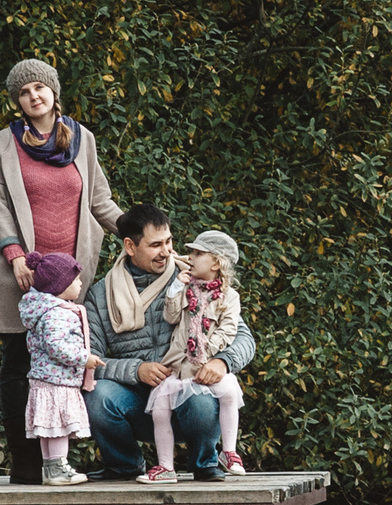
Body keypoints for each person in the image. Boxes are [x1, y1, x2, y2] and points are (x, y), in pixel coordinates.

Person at [0, 59, 122, 483]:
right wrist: (15, 254)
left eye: (39, 88)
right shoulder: (3, 144)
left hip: (68, 280)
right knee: (18, 366)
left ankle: (56, 462)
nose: (33, 96)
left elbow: (101, 202)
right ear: (18, 102)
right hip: (21, 273)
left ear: (53, 92)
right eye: (24, 92)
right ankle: (26, 467)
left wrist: (140, 233)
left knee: (62, 369)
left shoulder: (83, 140)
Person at [86, 205, 258, 481]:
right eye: (155, 245)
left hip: (187, 391)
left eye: (168, 242)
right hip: (137, 400)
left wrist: (222, 361)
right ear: (130, 246)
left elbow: (244, 338)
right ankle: (124, 465)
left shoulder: (195, 279)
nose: (167, 251)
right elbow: (88, 359)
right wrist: (136, 370)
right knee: (98, 395)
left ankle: (205, 463)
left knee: (202, 399)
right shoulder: (100, 294)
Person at [141, 231, 247, 483]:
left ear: (215, 263)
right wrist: (176, 287)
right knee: (159, 410)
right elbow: (171, 316)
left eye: (198, 254)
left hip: (204, 365)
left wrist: (207, 349)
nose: (190, 257)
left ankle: (229, 452)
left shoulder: (229, 297)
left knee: (230, 394)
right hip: (179, 369)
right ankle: (165, 466)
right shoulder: (185, 288)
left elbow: (229, 328)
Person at [18, 252, 102, 485]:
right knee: (58, 427)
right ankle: (57, 468)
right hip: (57, 380)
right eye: (75, 280)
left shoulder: (45, 309)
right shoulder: (57, 313)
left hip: (46, 379)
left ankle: (51, 468)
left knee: (49, 425)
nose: (80, 283)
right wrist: (83, 358)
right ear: (60, 285)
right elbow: (55, 345)